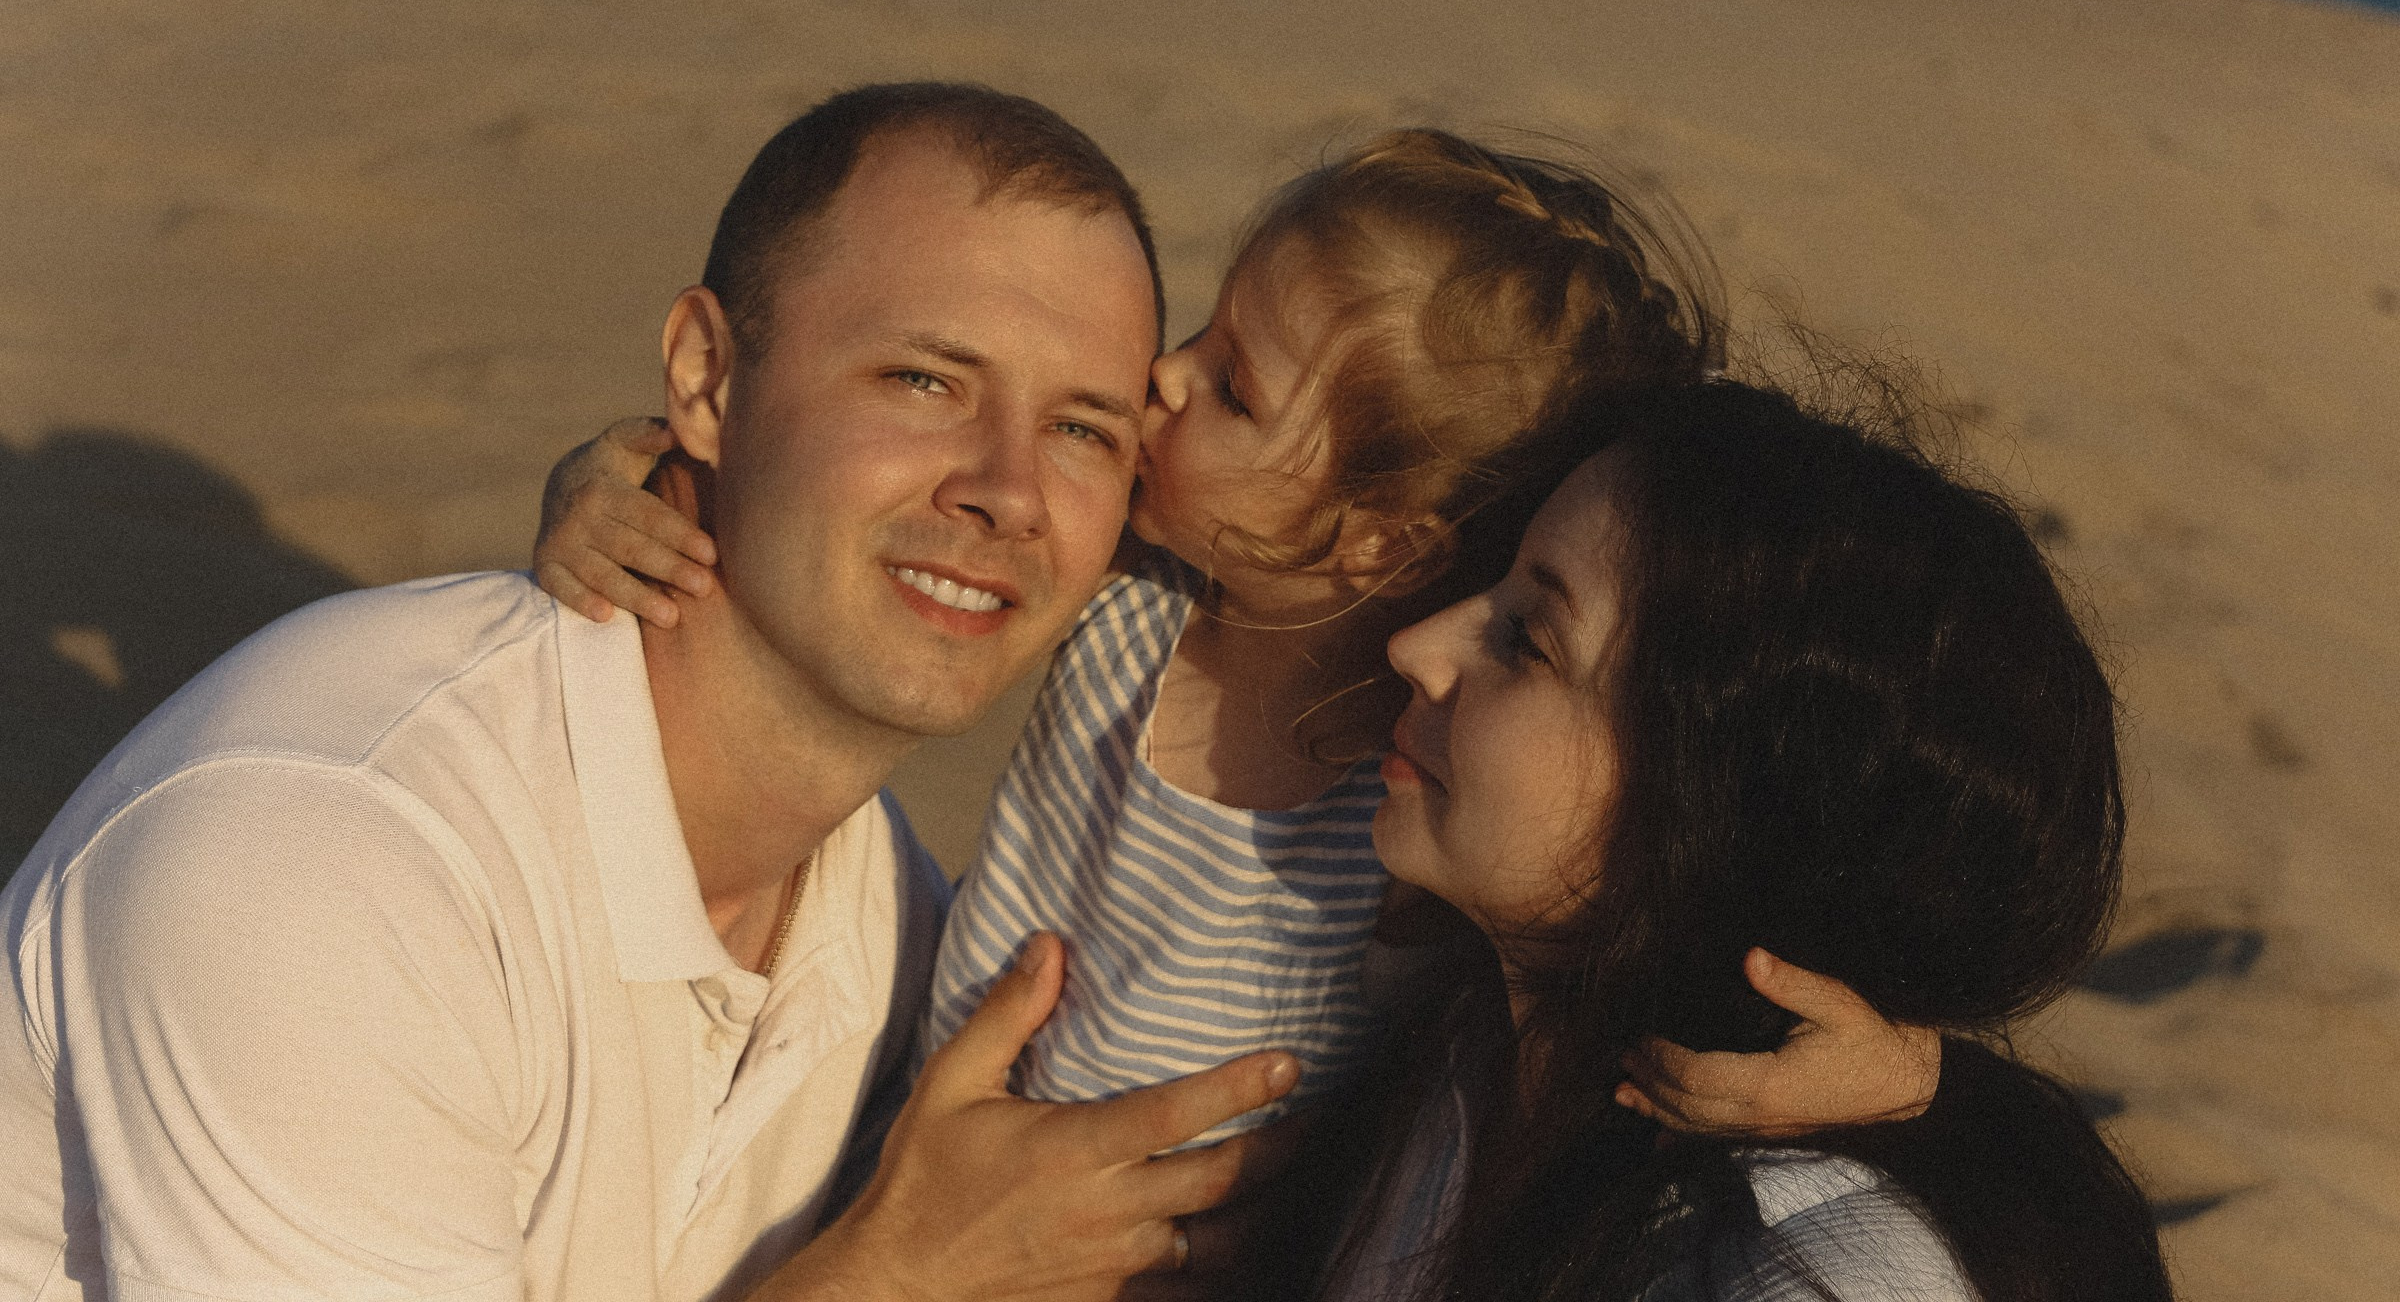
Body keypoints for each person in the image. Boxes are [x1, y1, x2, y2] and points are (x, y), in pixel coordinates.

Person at [0, 83, 1301, 1302]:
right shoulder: (330, 859)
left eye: (1082, 427)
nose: (1008, 490)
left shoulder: (892, 928)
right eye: (925, 381)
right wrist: (900, 1273)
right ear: (704, 380)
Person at [536, 131, 1943, 1241]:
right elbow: (835, 532)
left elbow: (1648, 954)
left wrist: (1916, 1082)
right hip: (915, 1164)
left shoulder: (1416, 775)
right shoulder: (1128, 589)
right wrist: (622, 484)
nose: (1158, 376)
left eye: (1235, 387)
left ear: (1380, 536)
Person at [1318, 375, 2173, 1302]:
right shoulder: (1473, 1044)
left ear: (1712, 799)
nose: (1417, 647)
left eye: (1529, 638)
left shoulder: (1807, 1272)